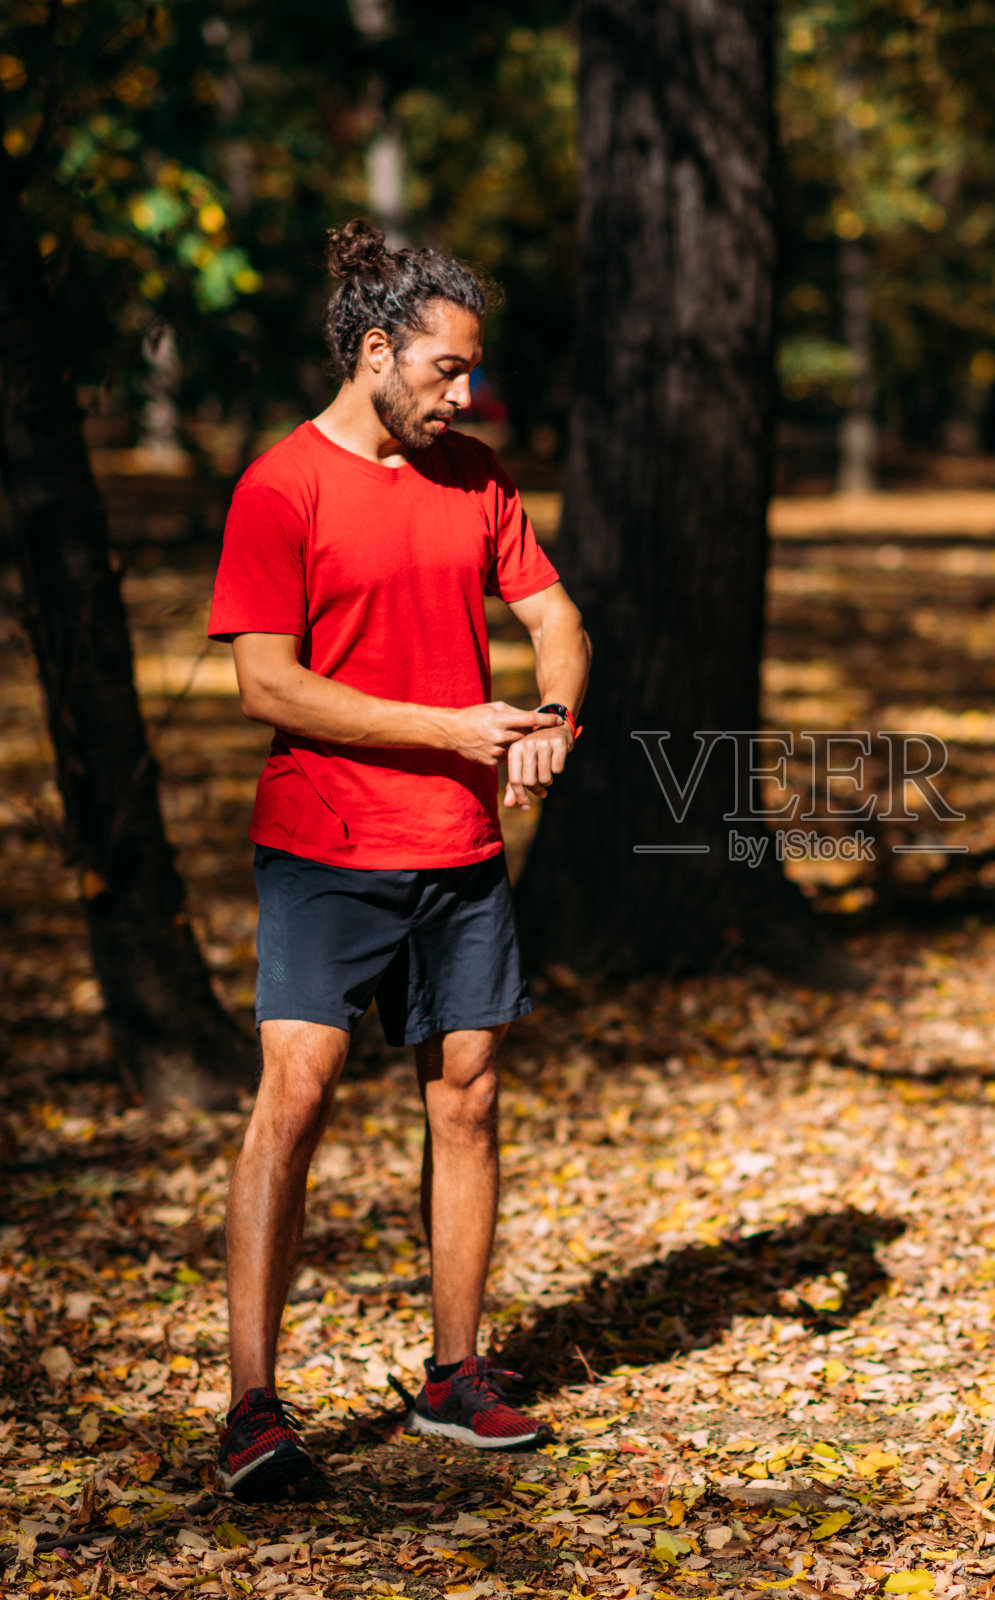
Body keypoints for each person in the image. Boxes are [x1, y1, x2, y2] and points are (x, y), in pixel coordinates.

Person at [207, 220, 592, 1498]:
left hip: (459, 848)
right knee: (295, 1099)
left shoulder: (474, 476)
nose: (463, 392)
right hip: (323, 846)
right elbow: (267, 683)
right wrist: (448, 726)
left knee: (468, 1099)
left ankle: (455, 1374)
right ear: (374, 350)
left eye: (471, 370)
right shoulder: (280, 487)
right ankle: (252, 1404)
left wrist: (553, 718)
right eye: (443, 368)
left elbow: (554, 615)